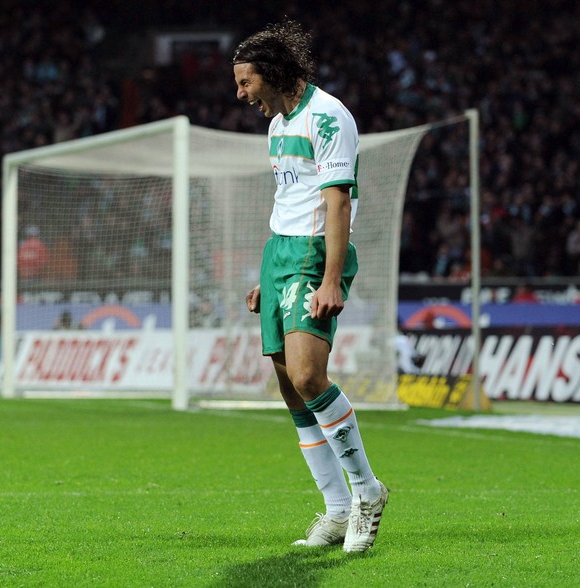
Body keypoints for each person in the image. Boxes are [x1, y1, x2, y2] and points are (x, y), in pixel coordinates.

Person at [233, 18, 388, 553]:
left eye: (246, 82)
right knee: (287, 385)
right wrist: (263, 275)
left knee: (307, 375)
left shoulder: (327, 117)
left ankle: (367, 492)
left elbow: (337, 202)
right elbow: (287, 200)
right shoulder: (278, 124)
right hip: (280, 254)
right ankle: (337, 510)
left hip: (313, 255)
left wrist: (329, 279)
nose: (241, 93)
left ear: (273, 75)